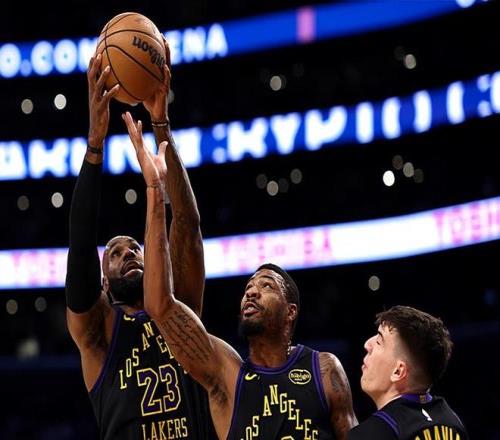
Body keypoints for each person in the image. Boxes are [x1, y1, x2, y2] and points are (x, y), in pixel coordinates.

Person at [123, 113, 358, 439]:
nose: (251, 291)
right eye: (249, 286)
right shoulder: (227, 375)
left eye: (266, 285)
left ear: (291, 311)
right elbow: (160, 306)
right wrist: (154, 188)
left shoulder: (324, 369)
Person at [65, 43, 211, 439]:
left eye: (135, 248)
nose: (129, 252)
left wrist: (161, 125)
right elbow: (81, 244)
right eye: (115, 253)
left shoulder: (180, 306)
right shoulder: (99, 333)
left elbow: (187, 225)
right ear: (103, 283)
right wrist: (95, 144)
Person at [348, 305, 469, 440]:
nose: (367, 344)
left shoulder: (371, 433)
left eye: (379, 341)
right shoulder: (454, 424)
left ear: (398, 372)